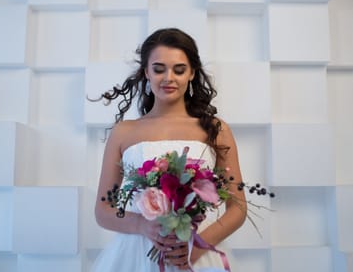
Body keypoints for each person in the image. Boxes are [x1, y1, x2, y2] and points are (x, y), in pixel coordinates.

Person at [90, 28, 247, 271]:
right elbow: (103, 210)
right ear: (146, 73)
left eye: (179, 69)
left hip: (197, 254)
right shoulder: (124, 132)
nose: (168, 78)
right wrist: (143, 225)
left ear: (192, 73)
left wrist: (197, 248)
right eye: (159, 69)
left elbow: (237, 208)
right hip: (137, 257)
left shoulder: (216, 129)